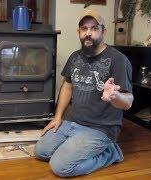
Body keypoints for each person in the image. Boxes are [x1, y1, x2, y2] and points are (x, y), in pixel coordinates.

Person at [34, 9, 134, 177]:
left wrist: (115, 96)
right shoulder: (75, 56)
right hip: (72, 122)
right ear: (78, 32)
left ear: (104, 31)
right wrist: (58, 116)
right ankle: (74, 144)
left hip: (100, 128)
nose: (88, 33)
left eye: (94, 28)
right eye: (84, 29)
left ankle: (111, 153)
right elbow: (67, 85)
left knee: (60, 167)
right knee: (41, 151)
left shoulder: (118, 60)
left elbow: (128, 101)